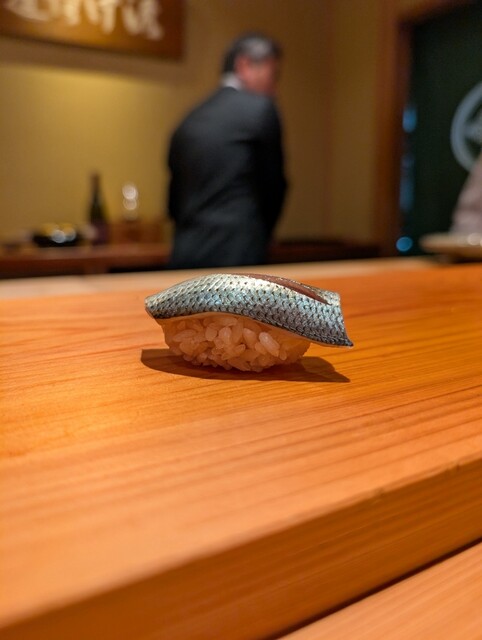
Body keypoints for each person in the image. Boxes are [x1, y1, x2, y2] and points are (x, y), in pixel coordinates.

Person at [166, 32, 287, 269]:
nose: (274, 87)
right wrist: (263, 236)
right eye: (274, 74)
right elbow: (274, 188)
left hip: (185, 253)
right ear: (244, 65)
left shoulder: (189, 120)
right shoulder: (261, 109)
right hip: (238, 256)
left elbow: (174, 202)